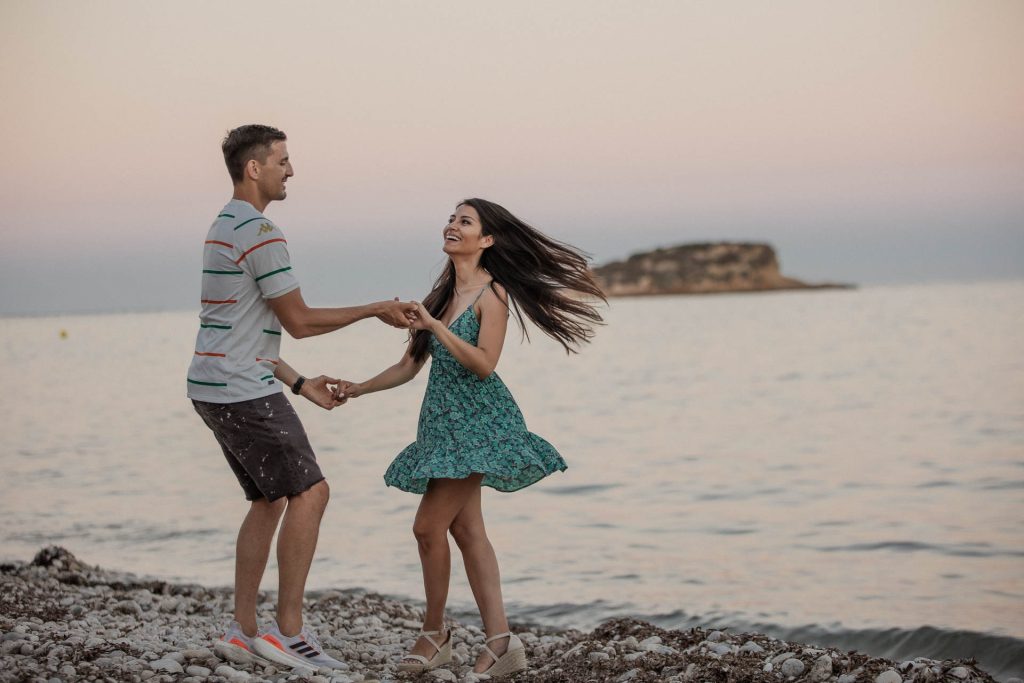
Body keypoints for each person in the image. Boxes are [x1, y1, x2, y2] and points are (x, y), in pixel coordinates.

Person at [335, 198, 605, 677]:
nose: (452, 226)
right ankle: (500, 643)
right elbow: (409, 365)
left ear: (486, 240)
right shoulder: (439, 297)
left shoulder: (492, 295)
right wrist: (358, 388)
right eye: (451, 219)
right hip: (441, 426)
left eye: (465, 222)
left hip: (479, 425)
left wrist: (437, 325)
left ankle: (434, 634)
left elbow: (484, 364)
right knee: (466, 529)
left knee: (426, 527)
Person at [187, 124, 416, 671]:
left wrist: (298, 383)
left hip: (215, 384)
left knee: (268, 500)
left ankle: (243, 631)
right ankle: (288, 633)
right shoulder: (261, 230)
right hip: (240, 389)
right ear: (254, 169)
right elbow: (300, 320)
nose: (292, 170)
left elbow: (243, 325)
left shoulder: (224, 223)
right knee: (311, 493)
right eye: (283, 160)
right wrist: (375, 308)